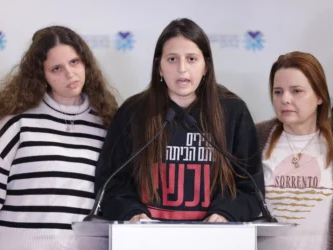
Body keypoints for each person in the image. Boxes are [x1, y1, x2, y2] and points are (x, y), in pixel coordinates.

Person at [95, 18, 264, 223]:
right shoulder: (133, 112)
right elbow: (111, 184)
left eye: (191, 59)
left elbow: (250, 187)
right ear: (159, 66)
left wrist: (225, 214)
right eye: (172, 59)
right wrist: (131, 213)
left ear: (206, 67)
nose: (182, 69)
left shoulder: (233, 111)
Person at [0, 26, 117, 250]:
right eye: (56, 68)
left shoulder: (106, 127)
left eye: (74, 62)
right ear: (41, 76)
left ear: (86, 63)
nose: (70, 74)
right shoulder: (16, 125)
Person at [256, 51, 333, 249]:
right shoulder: (256, 136)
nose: (285, 99)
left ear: (319, 96)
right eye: (278, 92)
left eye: (296, 91)